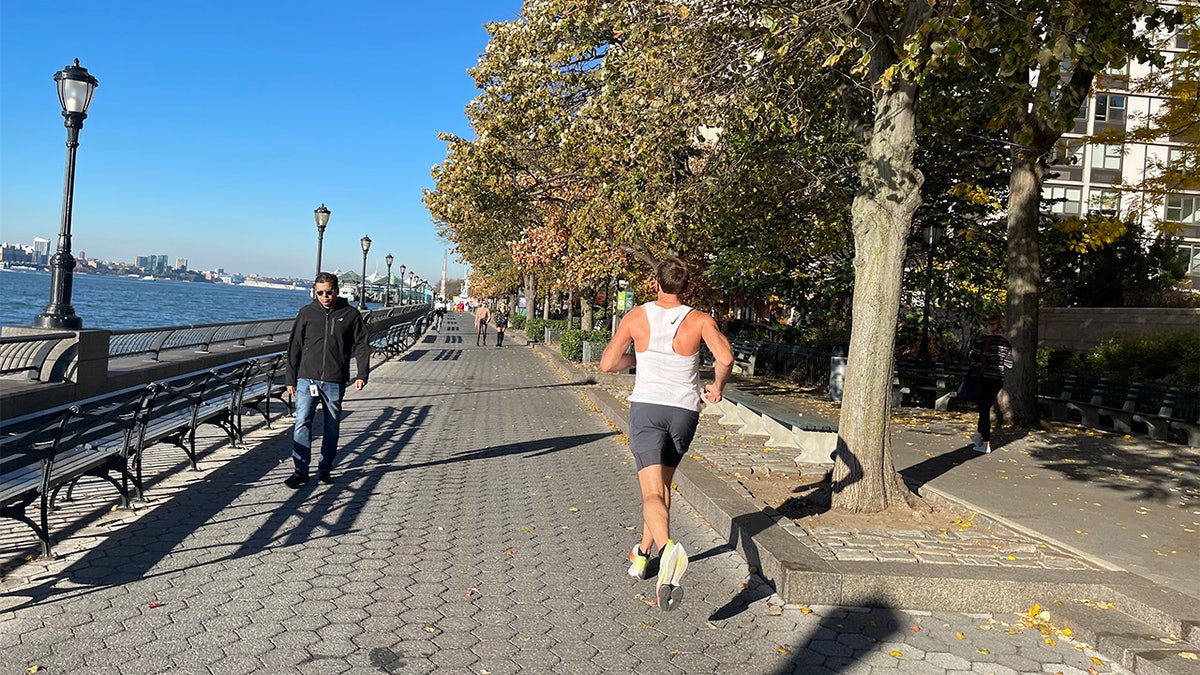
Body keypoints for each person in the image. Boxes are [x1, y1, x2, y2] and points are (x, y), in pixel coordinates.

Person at [600, 256, 734, 611]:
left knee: (649, 492)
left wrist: (637, 360)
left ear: (655, 284)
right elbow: (725, 357)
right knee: (663, 488)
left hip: (647, 409)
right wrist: (717, 388)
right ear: (685, 287)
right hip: (684, 411)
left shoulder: (636, 317)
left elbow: (608, 363)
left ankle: (668, 548)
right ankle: (643, 554)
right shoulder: (700, 320)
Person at [284, 272, 369, 488]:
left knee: (332, 426)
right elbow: (294, 346)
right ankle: (300, 470)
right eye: (320, 292)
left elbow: (361, 344)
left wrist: (362, 374)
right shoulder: (306, 313)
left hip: (335, 379)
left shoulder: (350, 314)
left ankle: (325, 470)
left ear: (337, 291)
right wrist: (290, 378)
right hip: (306, 378)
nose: (325, 296)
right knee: (302, 422)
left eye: (329, 292)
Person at [968, 314, 1013, 454]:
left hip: (983, 378)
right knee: (985, 407)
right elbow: (1009, 364)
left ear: (990, 326)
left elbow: (972, 357)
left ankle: (985, 442)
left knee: (983, 410)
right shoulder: (1006, 343)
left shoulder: (982, 342)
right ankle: (979, 436)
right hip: (997, 380)